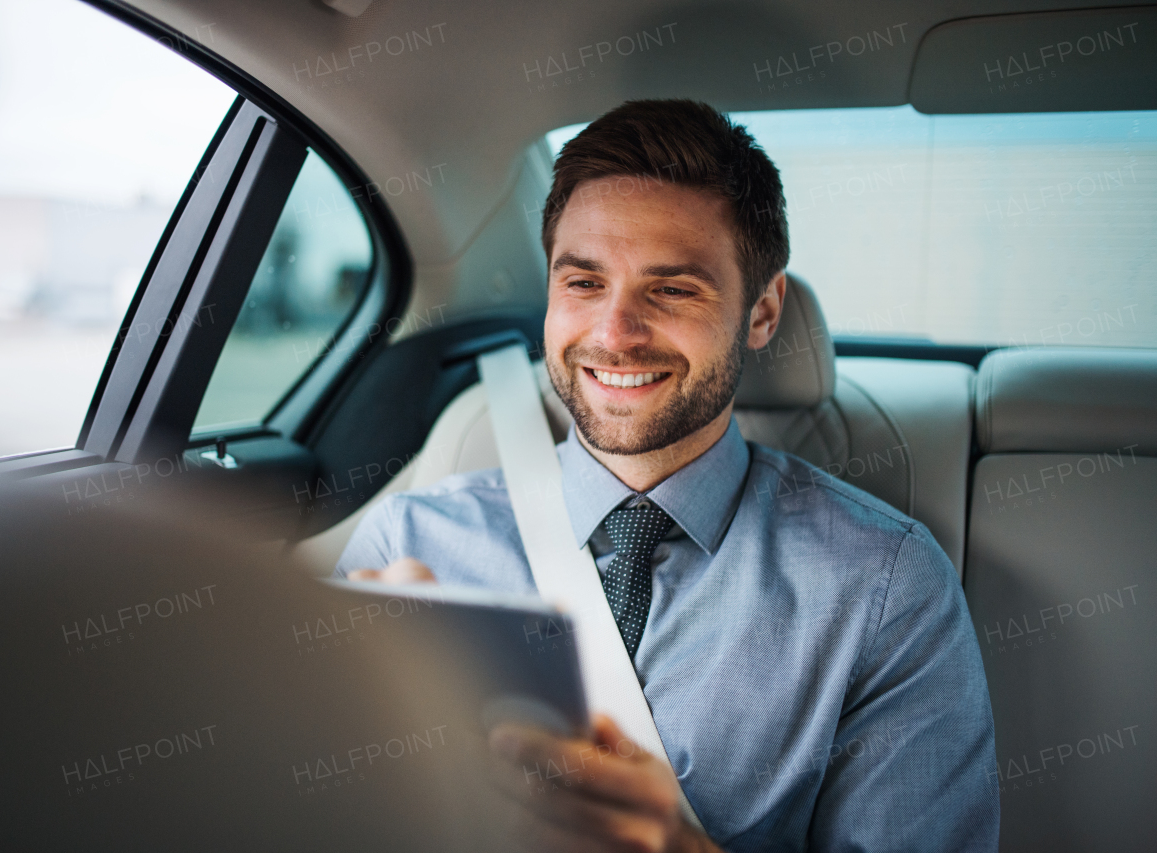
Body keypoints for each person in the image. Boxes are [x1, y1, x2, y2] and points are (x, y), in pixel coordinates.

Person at [337, 99, 999, 852]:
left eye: (673, 289)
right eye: (583, 283)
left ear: (762, 312)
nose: (615, 334)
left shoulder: (884, 590)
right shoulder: (409, 542)